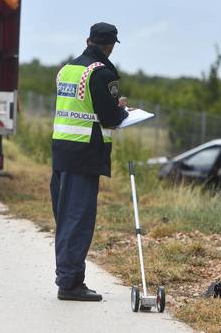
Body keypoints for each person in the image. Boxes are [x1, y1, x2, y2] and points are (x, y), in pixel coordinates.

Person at [50, 22, 128, 301]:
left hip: (61, 152)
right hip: (84, 156)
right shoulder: (102, 73)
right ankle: (69, 284)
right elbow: (108, 117)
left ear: (88, 40)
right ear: (110, 46)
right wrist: (121, 110)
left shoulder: (67, 69)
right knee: (78, 221)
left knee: (66, 220)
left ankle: (69, 278)